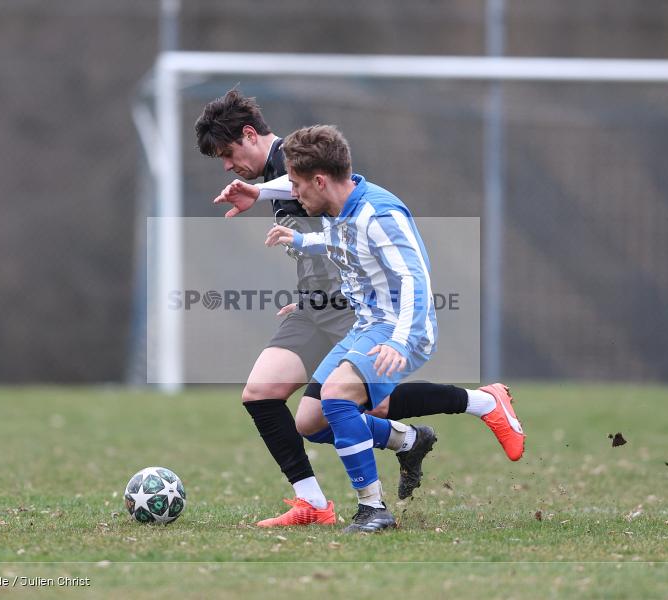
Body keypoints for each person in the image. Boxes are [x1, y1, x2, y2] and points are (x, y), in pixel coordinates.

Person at [194, 90, 525, 528]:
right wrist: (308, 277)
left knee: (357, 404)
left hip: (363, 310)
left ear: (251, 135)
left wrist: (257, 192)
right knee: (276, 400)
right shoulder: (300, 177)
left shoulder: (304, 160)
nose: (227, 166)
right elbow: (335, 238)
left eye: (227, 153)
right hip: (321, 307)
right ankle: (322, 496)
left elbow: (402, 269)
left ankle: (468, 414)